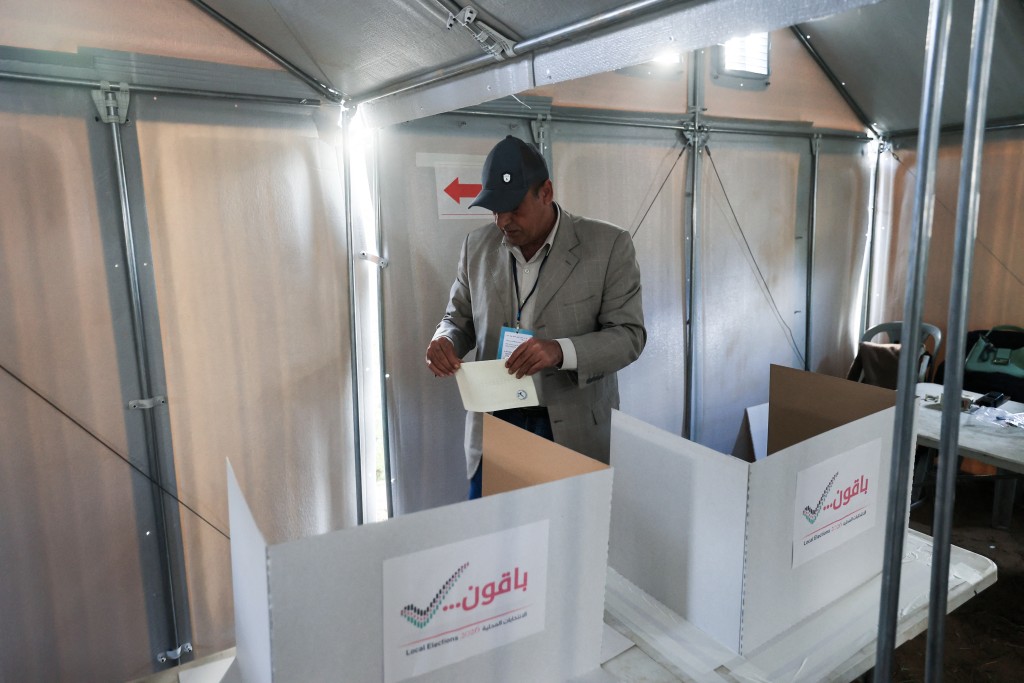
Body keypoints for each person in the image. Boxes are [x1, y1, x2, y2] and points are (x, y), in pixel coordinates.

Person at [425, 135, 646, 498]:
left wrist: (560, 351)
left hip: (570, 429)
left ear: (546, 192)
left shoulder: (608, 246)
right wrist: (444, 339)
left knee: (570, 544)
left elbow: (629, 336)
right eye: (494, 209)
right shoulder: (475, 247)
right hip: (495, 427)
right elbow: (457, 317)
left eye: (513, 208)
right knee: (495, 544)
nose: (502, 221)